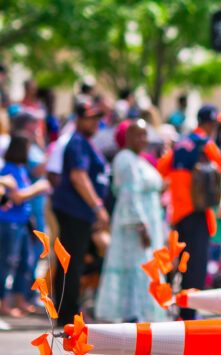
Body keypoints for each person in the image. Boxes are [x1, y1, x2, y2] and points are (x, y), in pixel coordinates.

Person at [95, 120, 167, 323]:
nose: (143, 139)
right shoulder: (125, 159)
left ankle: (144, 312)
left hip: (148, 219)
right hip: (134, 225)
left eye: (145, 135)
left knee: (144, 264)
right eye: (138, 135)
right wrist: (141, 224)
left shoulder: (139, 159)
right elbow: (129, 194)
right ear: (127, 137)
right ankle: (133, 312)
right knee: (137, 265)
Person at [157, 104, 221, 320]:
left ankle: (170, 306)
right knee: (195, 268)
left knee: (177, 264)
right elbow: (220, 170)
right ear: (210, 124)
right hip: (198, 212)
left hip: (178, 214)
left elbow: (161, 169)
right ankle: (187, 314)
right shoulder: (207, 145)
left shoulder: (179, 145)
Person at [50, 101, 110, 326]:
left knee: (73, 263)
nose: (95, 122)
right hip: (73, 210)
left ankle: (68, 312)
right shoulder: (76, 143)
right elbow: (78, 177)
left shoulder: (85, 143)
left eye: (97, 118)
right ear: (79, 119)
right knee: (70, 263)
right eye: (90, 117)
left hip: (79, 211)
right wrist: (98, 207)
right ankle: (67, 315)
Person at [0, 135, 51, 316]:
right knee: (6, 264)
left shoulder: (21, 169)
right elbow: (16, 196)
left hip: (21, 224)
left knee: (25, 262)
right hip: (9, 223)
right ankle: (3, 303)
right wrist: (39, 187)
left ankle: (19, 299)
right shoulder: (9, 169)